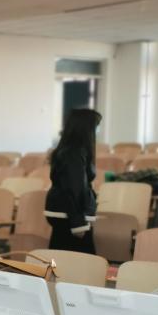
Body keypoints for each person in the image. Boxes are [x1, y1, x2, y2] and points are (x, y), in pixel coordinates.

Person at [45, 108, 102, 254]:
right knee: (84, 261)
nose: (97, 131)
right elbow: (73, 189)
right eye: (96, 126)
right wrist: (78, 223)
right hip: (70, 215)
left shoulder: (68, 149)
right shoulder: (75, 152)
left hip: (64, 212)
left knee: (59, 257)